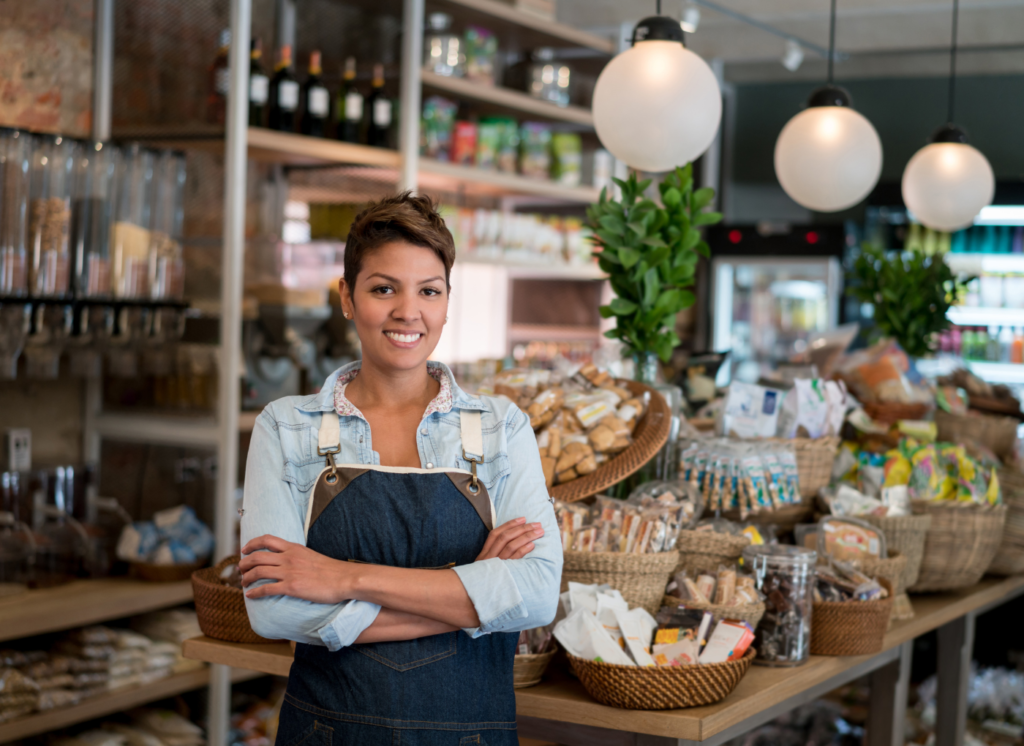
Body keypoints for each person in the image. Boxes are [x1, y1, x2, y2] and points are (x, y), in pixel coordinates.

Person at [238, 192, 562, 746]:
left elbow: (534, 595)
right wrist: (473, 601)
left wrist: (343, 577)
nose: (408, 311)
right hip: (328, 732)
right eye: (383, 288)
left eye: (428, 291)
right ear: (347, 296)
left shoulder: (499, 427)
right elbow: (274, 611)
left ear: (446, 301)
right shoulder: (286, 426)